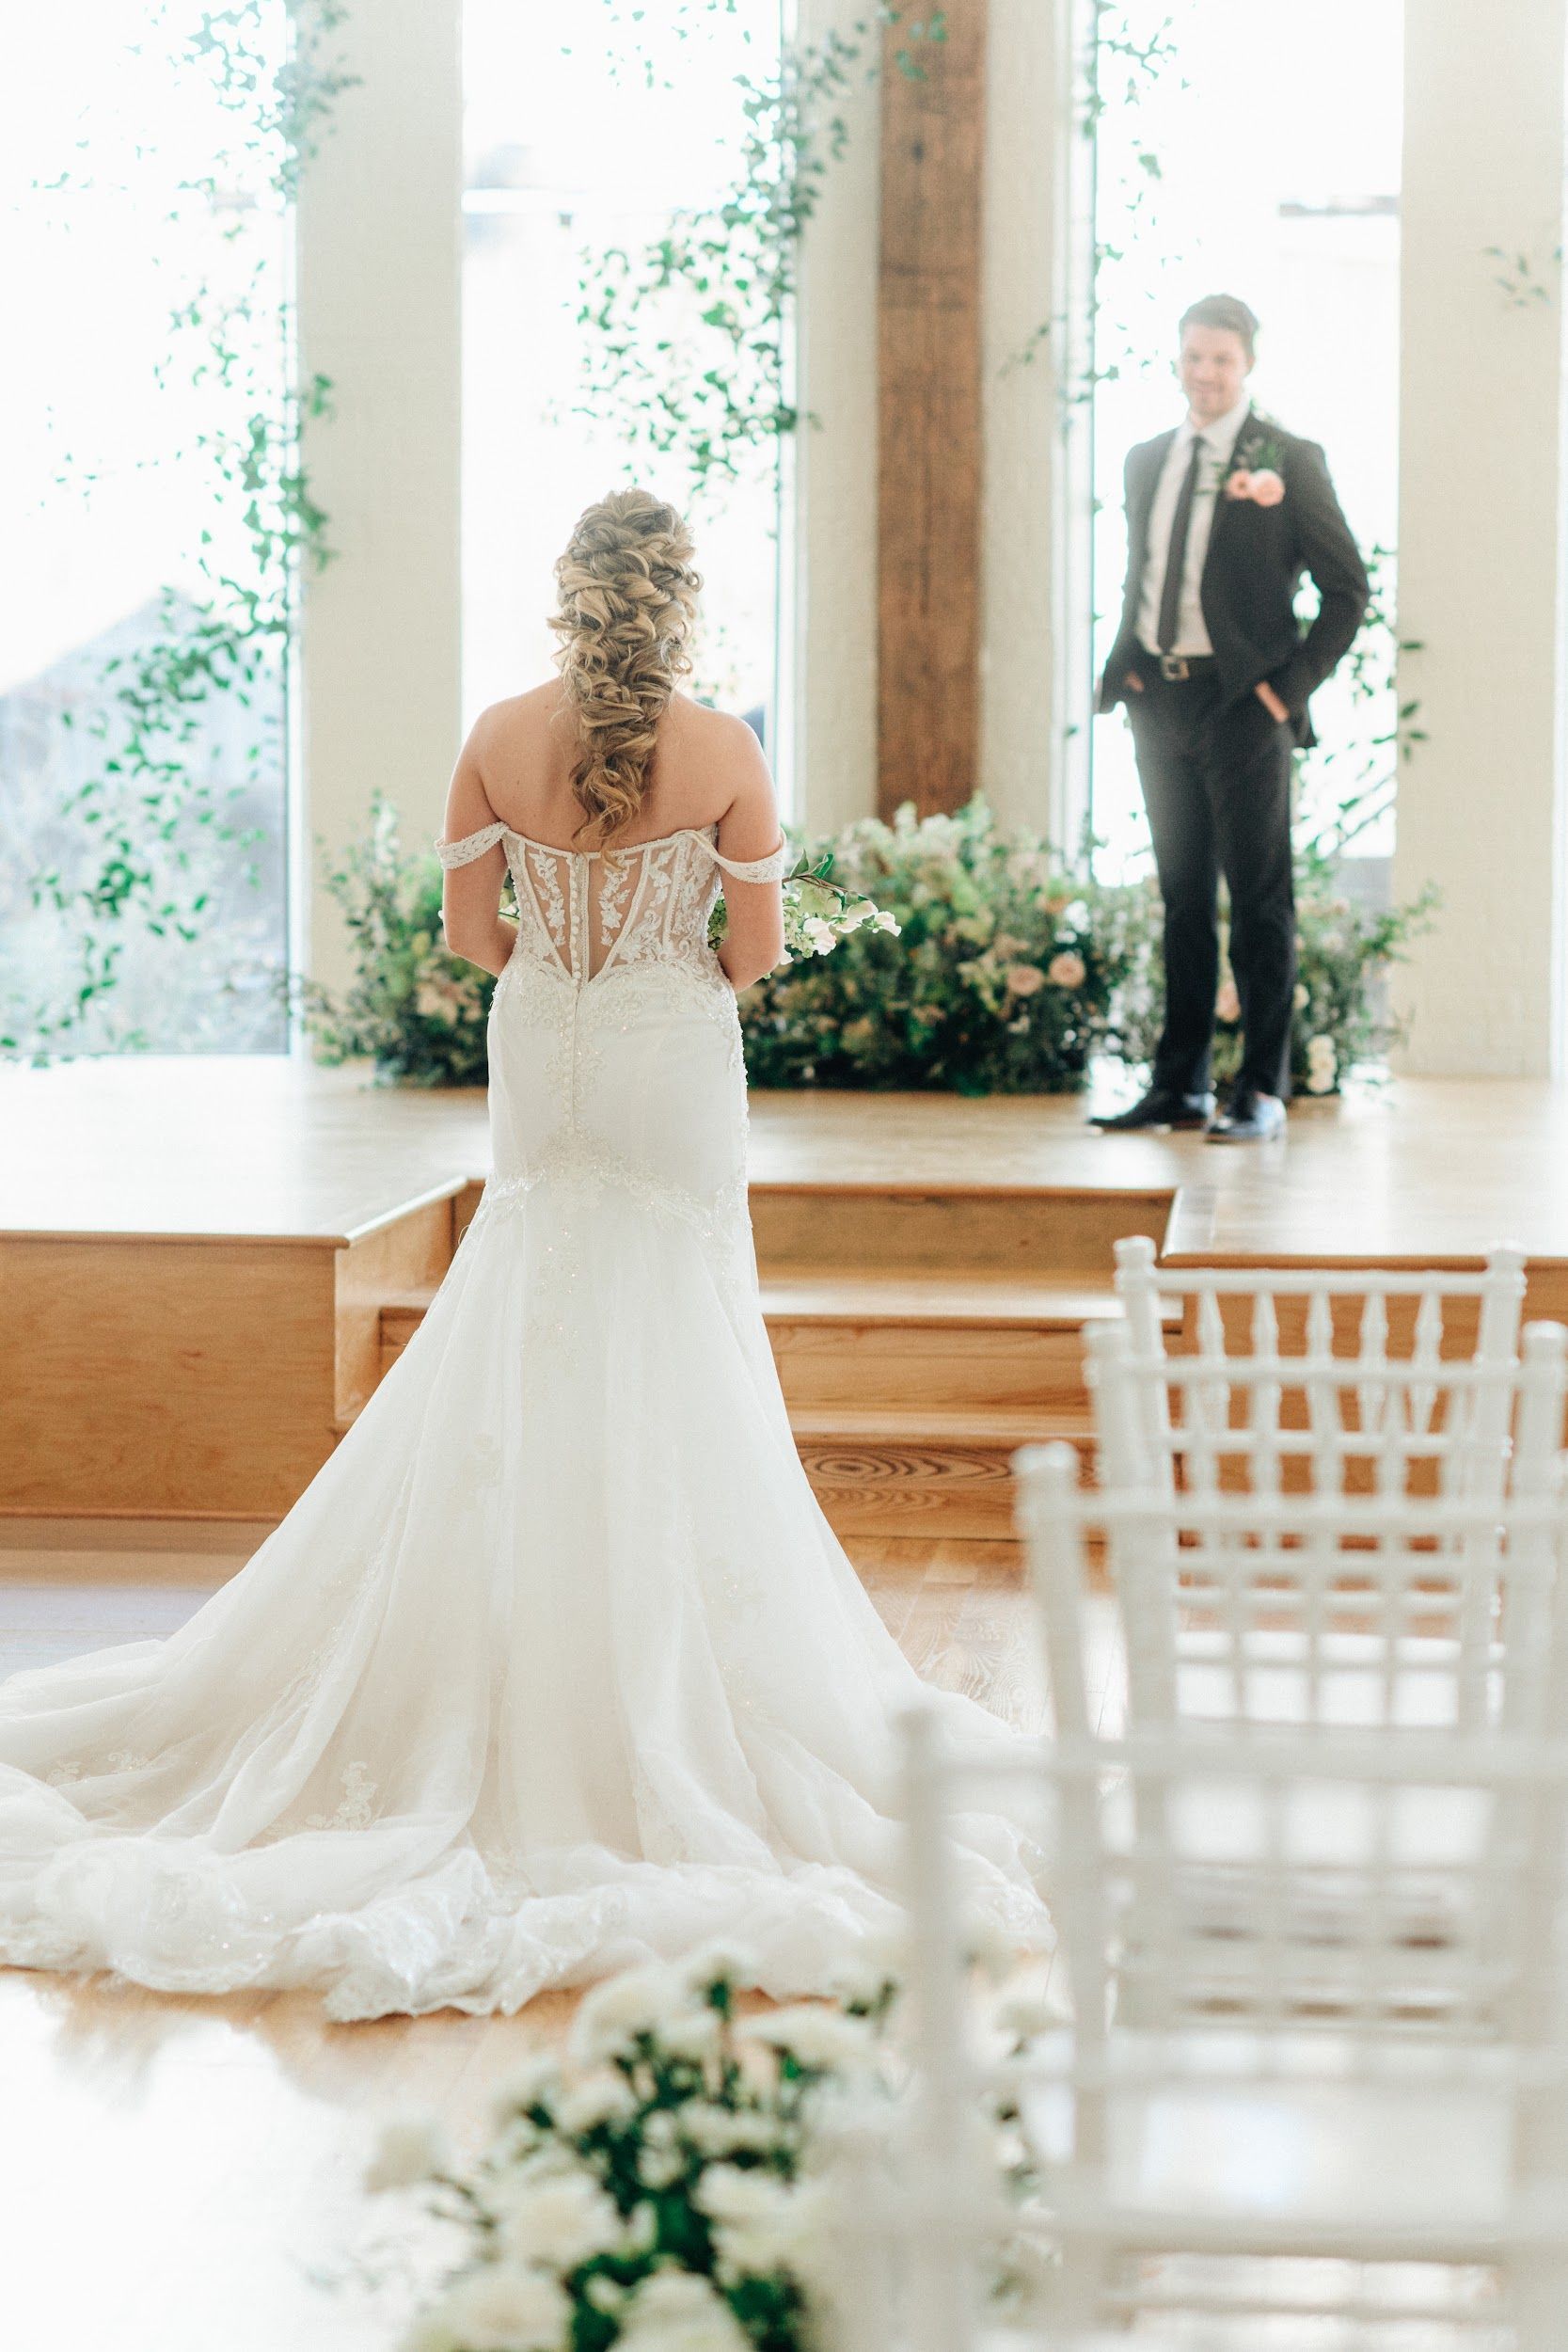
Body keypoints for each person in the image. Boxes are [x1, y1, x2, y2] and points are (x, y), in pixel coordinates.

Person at [0, 489, 1051, 2021]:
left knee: (526, 1305)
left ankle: (497, 1640)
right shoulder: (728, 755)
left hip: (545, 1048)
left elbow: (469, 937)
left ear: (572, 599)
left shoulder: (495, 735)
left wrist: (571, 952)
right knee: (675, 1325)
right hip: (668, 1061)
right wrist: (681, 936)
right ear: (677, 600)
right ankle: (643, 1665)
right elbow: (752, 957)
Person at [1092, 294, 1370, 1142]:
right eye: (1192, 357)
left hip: (1243, 708)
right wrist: (1131, 674)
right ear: (1176, 360)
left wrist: (1283, 695)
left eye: (1220, 359)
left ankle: (1259, 1088)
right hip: (1157, 698)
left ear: (1246, 364)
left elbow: (1347, 592)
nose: (1204, 373)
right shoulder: (1146, 460)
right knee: (1180, 900)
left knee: (1258, 901)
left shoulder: (1286, 459)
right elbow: (1148, 575)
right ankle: (1178, 1085)